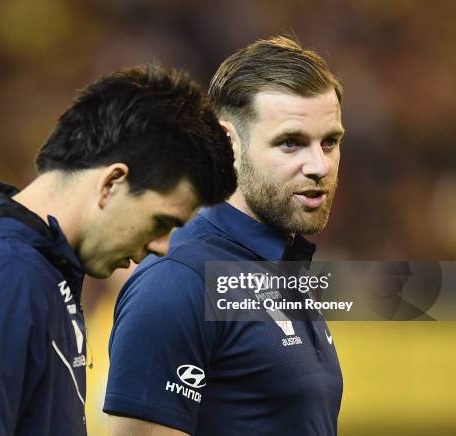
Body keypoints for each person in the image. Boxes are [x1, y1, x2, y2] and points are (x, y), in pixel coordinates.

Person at [0, 66, 237, 436]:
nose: (161, 247)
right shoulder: (5, 277)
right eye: (161, 223)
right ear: (112, 182)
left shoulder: (27, 265)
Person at [104, 37, 345, 435]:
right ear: (227, 143)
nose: (319, 165)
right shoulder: (179, 281)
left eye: (330, 142)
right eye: (291, 143)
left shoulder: (283, 267)